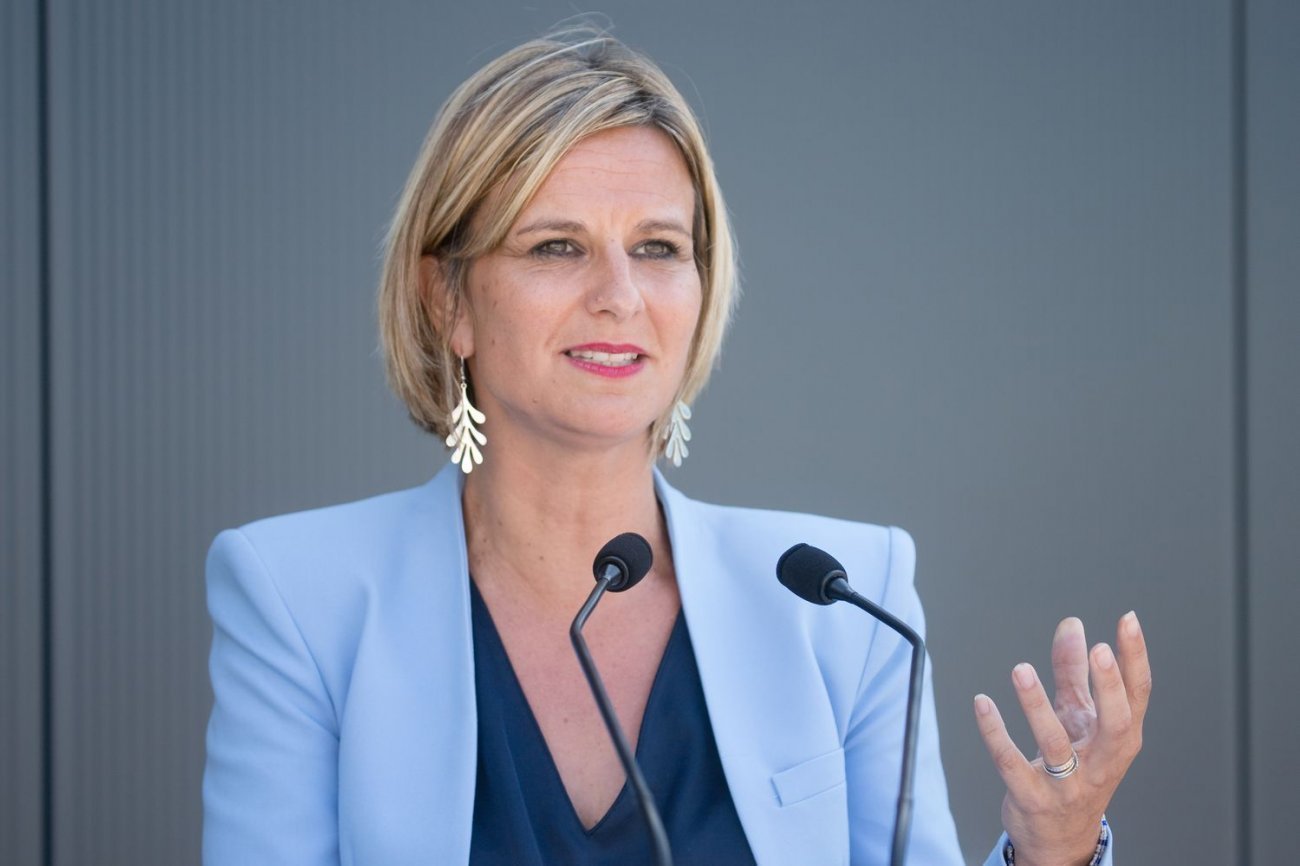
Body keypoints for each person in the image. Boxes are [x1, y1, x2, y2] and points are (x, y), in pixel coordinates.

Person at [202, 26, 1149, 866]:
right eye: (556, 246)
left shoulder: (845, 599)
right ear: (448, 298)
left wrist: (1051, 855)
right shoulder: (299, 601)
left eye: (657, 247)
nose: (620, 296)